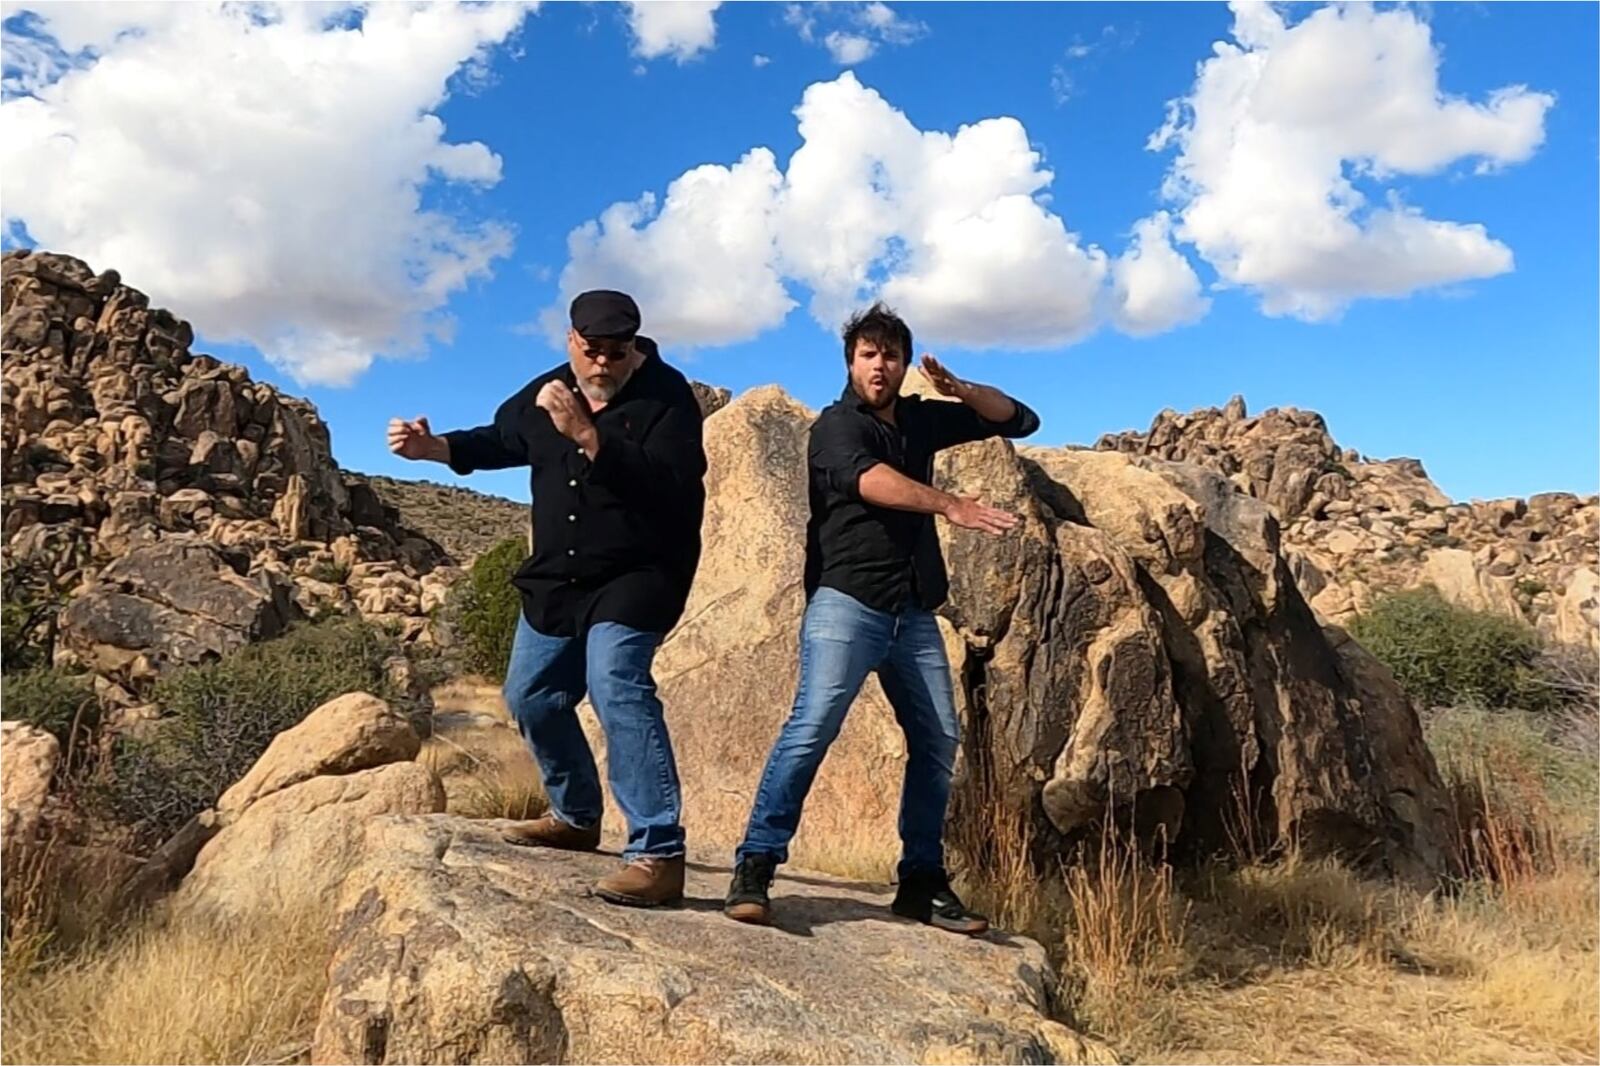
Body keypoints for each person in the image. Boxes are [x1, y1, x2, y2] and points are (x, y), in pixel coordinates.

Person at [724, 302, 1039, 934]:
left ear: (903, 365)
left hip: (912, 610)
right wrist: (949, 505)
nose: (880, 365)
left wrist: (963, 392)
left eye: (890, 356)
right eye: (869, 355)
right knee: (811, 728)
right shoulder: (837, 425)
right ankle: (756, 863)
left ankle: (922, 881)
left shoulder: (921, 419)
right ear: (851, 362)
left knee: (937, 740)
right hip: (848, 603)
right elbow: (868, 480)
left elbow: (1022, 420)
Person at [387, 290, 705, 908]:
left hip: (639, 573)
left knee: (617, 683)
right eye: (593, 351)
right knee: (531, 697)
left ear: (635, 347)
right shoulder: (546, 391)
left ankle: (658, 853)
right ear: (571, 341)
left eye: (618, 352)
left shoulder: (669, 399)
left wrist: (590, 436)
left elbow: (671, 487)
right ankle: (575, 816)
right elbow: (499, 440)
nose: (604, 363)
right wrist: (434, 449)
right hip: (558, 577)